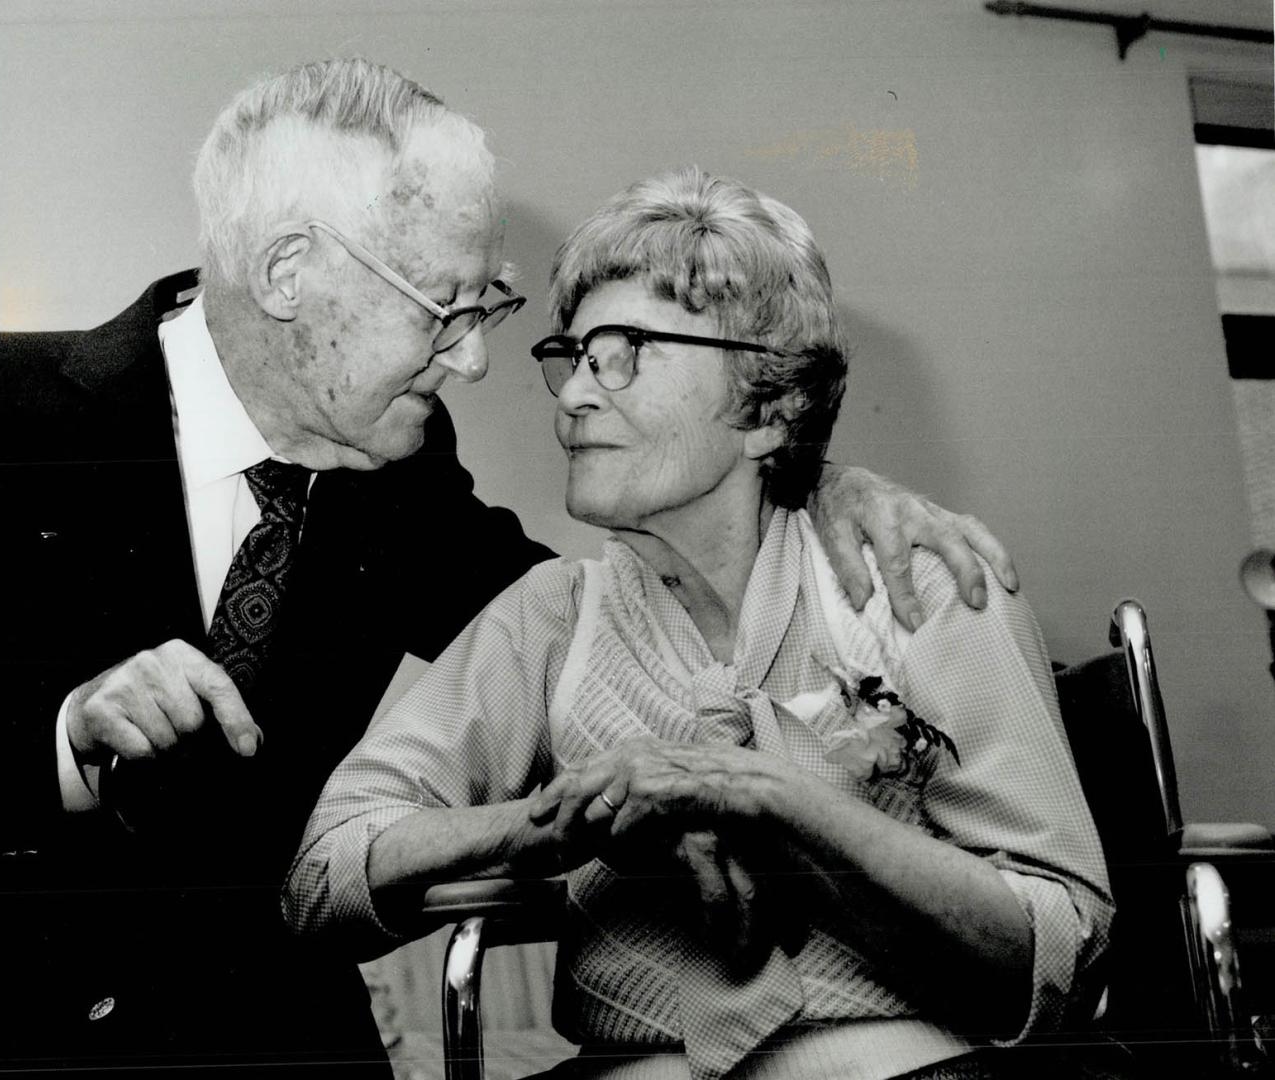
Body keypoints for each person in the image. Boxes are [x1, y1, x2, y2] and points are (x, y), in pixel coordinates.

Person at [0, 61, 1014, 1079]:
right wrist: (68, 734)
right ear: (290, 274)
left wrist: (805, 478)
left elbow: (579, 618)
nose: (471, 364)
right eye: (446, 309)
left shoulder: (398, 461)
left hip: (247, 1038)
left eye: (490, 312)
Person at [287, 167, 1111, 1080]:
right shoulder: (549, 616)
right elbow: (324, 876)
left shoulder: (917, 582)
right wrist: (546, 827)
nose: (572, 397)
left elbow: (1054, 952)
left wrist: (772, 800)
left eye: (628, 348)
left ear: (770, 405)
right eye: (576, 355)